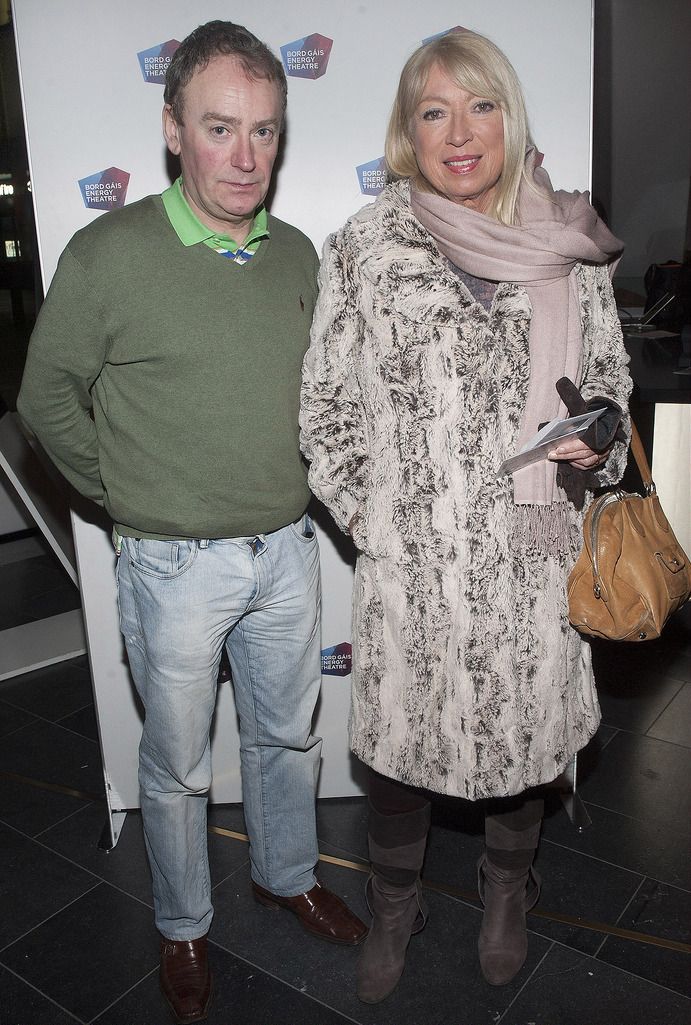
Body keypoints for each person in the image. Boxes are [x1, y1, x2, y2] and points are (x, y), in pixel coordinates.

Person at [18, 20, 365, 1025]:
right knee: (172, 767)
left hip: (288, 553)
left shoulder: (299, 253)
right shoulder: (110, 253)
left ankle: (286, 873)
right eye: (220, 129)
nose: (245, 156)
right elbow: (47, 401)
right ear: (173, 131)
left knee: (286, 737)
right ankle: (181, 925)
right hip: (170, 566)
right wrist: (126, 499)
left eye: (264, 129)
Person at [300, 28, 631, 1004]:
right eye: (432, 110)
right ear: (408, 128)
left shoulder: (570, 239)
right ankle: (395, 900)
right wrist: (384, 518)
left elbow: (606, 389)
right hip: (416, 565)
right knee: (401, 757)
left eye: (478, 105)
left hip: (534, 555)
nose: (458, 131)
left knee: (524, 748)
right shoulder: (369, 245)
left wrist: (596, 438)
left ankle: (505, 887)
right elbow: (323, 406)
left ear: (507, 114)